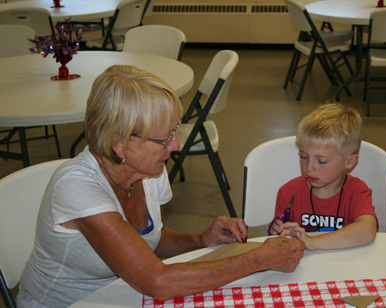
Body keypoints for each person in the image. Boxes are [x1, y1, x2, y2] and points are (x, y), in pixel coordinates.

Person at [16, 65, 304, 308]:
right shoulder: (76, 187)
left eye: (174, 132)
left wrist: (201, 240)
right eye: (163, 139)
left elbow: (154, 239)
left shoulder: (148, 169)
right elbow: (158, 281)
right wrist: (260, 259)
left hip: (124, 294)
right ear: (119, 144)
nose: (175, 146)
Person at [268, 103, 377, 251]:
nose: (309, 168)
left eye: (322, 161)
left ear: (349, 161)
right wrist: (277, 231)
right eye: (304, 157)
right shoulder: (288, 192)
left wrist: (313, 242)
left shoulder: (357, 191)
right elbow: (280, 241)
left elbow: (367, 230)